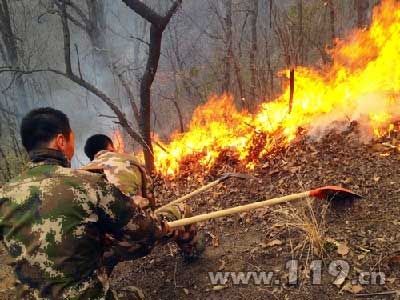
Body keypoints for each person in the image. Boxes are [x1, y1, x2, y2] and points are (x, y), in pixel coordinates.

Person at [0, 107, 194, 300]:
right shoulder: (86, 183)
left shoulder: (4, 196)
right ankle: (192, 250)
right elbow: (143, 229)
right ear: (60, 141)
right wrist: (150, 220)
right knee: (135, 294)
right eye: (71, 140)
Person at [82, 134, 153, 209]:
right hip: (134, 216)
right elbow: (149, 194)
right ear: (110, 147)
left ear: (91, 157)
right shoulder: (132, 160)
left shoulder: (83, 172)